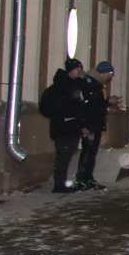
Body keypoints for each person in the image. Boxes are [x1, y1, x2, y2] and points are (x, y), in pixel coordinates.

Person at [39, 60, 87, 193]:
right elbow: (47, 107)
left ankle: (61, 183)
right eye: (78, 69)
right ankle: (59, 185)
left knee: (66, 155)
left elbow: (79, 108)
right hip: (63, 127)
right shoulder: (59, 88)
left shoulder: (75, 86)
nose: (80, 71)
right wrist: (64, 113)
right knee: (63, 156)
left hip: (71, 126)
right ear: (71, 70)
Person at [73, 61, 116, 190]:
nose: (110, 78)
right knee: (88, 152)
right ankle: (82, 179)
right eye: (110, 74)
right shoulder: (90, 85)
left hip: (93, 124)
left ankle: (87, 178)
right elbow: (88, 107)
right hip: (90, 124)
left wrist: (106, 103)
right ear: (104, 73)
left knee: (91, 152)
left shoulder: (94, 85)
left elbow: (95, 106)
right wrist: (85, 126)